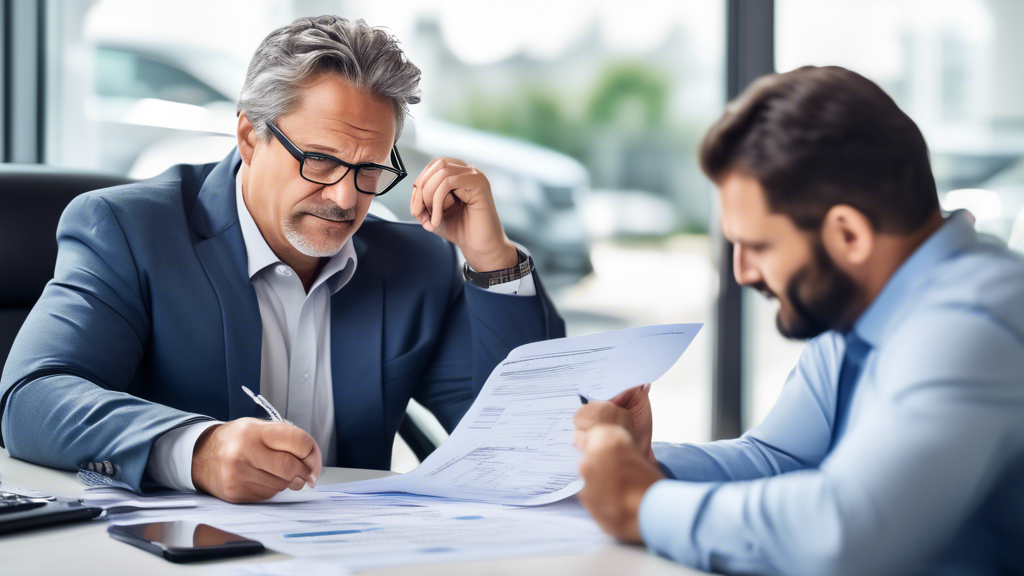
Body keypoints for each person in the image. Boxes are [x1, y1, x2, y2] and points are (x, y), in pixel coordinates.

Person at [0, 16, 563, 503]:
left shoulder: (415, 265)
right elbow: (32, 398)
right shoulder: (131, 231)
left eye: (370, 171)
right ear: (249, 135)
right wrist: (195, 450)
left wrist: (492, 261)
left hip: (354, 555)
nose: (347, 198)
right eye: (320, 161)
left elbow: (521, 439)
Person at [573, 66, 1024, 575]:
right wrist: (646, 464)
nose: (742, 272)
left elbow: (844, 533)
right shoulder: (861, 307)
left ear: (849, 235)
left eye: (758, 246)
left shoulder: (976, 321)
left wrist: (640, 501)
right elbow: (779, 460)